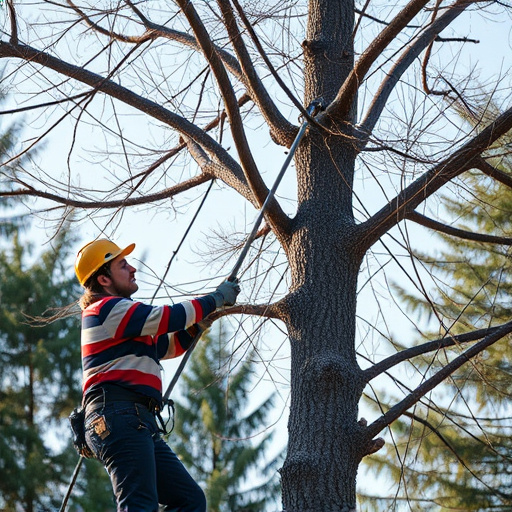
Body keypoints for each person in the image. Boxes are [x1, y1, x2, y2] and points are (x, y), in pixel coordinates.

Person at [74, 238, 240, 512]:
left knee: (190, 501)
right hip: (120, 415)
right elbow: (169, 317)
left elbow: (168, 345)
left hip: (134, 419)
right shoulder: (106, 309)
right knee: (139, 505)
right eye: (122, 265)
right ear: (104, 279)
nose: (132, 269)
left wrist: (199, 323)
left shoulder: (122, 321)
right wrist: (213, 300)